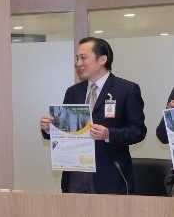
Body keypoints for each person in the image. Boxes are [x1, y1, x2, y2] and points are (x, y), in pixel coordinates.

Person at [39, 37, 146, 194]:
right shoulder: (73, 92)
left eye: (83, 58)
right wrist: (50, 128)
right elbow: (66, 132)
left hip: (110, 176)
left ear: (102, 59)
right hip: (75, 175)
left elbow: (138, 131)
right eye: (77, 58)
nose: (78, 63)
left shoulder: (127, 89)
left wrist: (109, 134)